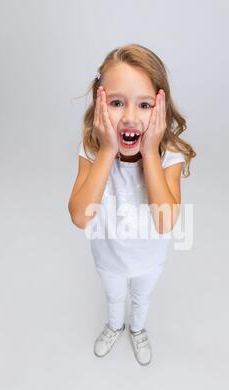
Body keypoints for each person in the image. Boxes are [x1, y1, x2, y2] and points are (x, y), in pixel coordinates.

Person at [68, 43, 196, 366]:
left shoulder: (170, 156)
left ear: (160, 108)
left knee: (141, 298)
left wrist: (151, 153)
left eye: (143, 105)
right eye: (116, 103)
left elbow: (165, 221)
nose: (129, 117)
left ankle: (137, 328)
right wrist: (108, 151)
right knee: (114, 297)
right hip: (108, 256)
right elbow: (81, 217)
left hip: (148, 259)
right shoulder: (93, 150)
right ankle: (115, 324)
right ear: (100, 103)